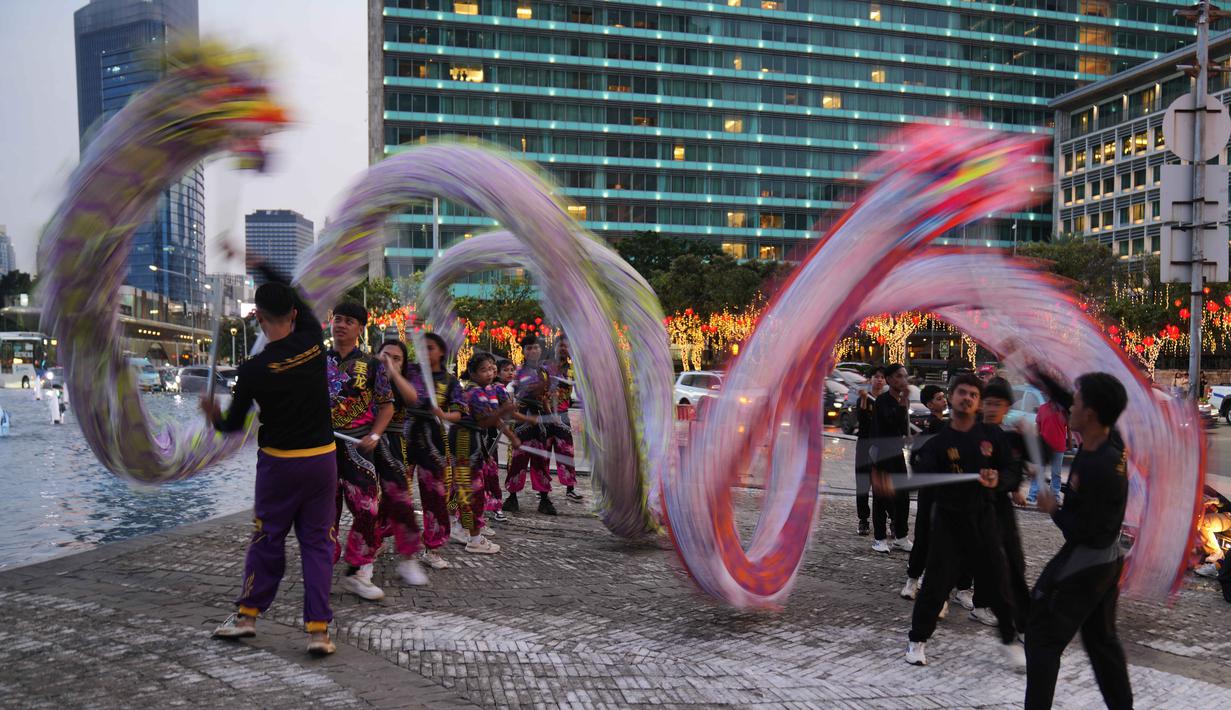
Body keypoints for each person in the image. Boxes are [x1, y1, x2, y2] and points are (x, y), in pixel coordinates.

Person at [204, 264, 337, 655]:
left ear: (258, 318)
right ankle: (319, 632)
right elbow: (296, 292)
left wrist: (212, 412)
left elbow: (230, 426)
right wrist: (260, 262)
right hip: (321, 462)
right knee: (317, 544)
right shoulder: (314, 341)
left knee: (267, 539)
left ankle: (247, 617)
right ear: (294, 313)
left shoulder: (253, 369)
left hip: (279, 465)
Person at [1025, 372, 1133, 709]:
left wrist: (1053, 508)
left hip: (1090, 560)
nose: (1070, 404)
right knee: (1101, 641)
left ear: (1091, 413)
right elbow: (1061, 393)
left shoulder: (1101, 466)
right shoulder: (1108, 437)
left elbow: (1084, 530)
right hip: (1106, 559)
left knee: (1041, 635)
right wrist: (1033, 369)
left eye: (1078, 400)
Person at [904, 374, 1022, 669]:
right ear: (952, 396)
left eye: (973, 394)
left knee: (999, 583)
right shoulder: (939, 441)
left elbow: (1012, 472)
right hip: (949, 523)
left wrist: (999, 480)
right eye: (962, 393)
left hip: (984, 520)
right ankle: (916, 641)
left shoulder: (992, 437)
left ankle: (1009, 640)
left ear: (978, 403)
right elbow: (924, 474)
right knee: (935, 587)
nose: (967, 398)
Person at [327, 302, 397, 601]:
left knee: (368, 509)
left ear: (360, 328)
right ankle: (322, 564)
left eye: (349, 321)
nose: (342, 325)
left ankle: (360, 569)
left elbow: (386, 406)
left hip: (358, 447)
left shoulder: (372, 365)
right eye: (338, 319)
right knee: (322, 513)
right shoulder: (314, 360)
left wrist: (375, 434)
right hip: (321, 447)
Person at [967, 378, 1030, 633]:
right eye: (988, 403)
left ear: (1007, 408)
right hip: (967, 507)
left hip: (998, 509)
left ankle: (1021, 624)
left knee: (1013, 563)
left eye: (999, 404)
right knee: (954, 564)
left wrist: (1004, 483)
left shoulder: (1009, 437)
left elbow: (1014, 471)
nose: (992, 409)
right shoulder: (968, 432)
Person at [403, 332, 469, 559]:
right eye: (421, 347)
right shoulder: (409, 371)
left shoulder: (450, 381)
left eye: (429, 347)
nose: (424, 351)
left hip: (433, 440)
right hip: (404, 434)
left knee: (434, 494)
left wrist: (443, 414)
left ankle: (433, 546)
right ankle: (381, 539)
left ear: (441, 351)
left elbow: (460, 413)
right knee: (395, 491)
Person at [372, 339, 430, 587]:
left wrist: (393, 372)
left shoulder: (403, 382)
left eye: (397, 358)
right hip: (361, 440)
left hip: (392, 443)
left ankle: (408, 558)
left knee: (400, 499)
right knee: (363, 500)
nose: (390, 361)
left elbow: (413, 398)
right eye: (386, 356)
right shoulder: (364, 376)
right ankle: (364, 553)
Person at [451, 351, 520, 553]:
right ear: (472, 373)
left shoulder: (483, 390)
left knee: (468, 488)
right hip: (465, 441)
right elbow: (486, 420)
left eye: (491, 369)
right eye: (484, 370)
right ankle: (469, 533)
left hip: (472, 439)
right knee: (470, 490)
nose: (490, 373)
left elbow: (491, 421)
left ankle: (464, 528)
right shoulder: (473, 393)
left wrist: (512, 434)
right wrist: (507, 414)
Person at [504, 335, 561, 515]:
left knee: (541, 460)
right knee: (518, 459)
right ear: (523, 351)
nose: (533, 351)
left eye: (535, 347)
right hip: (523, 419)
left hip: (541, 421)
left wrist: (552, 416)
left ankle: (544, 499)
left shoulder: (544, 372)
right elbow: (526, 392)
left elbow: (546, 396)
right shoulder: (519, 372)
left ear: (540, 350)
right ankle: (512, 497)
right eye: (528, 348)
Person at [901, 384, 947, 601]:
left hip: (947, 495)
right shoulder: (928, 432)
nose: (944, 401)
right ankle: (912, 578)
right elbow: (914, 460)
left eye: (944, 397)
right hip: (929, 494)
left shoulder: (952, 430)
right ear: (930, 404)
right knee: (923, 537)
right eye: (939, 398)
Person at [870, 363, 912, 553]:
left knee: (903, 497)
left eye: (905, 376)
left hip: (897, 454)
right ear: (889, 379)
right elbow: (889, 423)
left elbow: (902, 428)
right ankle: (879, 539)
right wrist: (903, 403)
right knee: (882, 497)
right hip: (882, 455)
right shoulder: (883, 401)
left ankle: (901, 536)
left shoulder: (902, 401)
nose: (903, 380)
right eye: (898, 376)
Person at [854, 366, 887, 536]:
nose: (879, 380)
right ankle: (863, 520)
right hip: (864, 446)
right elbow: (862, 420)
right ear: (870, 379)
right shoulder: (864, 397)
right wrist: (864, 400)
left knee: (882, 486)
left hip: (882, 447)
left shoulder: (888, 400)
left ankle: (887, 521)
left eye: (882, 377)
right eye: (876, 376)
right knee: (863, 485)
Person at [1028, 397, 1069, 504]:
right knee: (1039, 470)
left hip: (1059, 446)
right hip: (1043, 446)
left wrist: (1069, 442)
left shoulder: (1064, 410)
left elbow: (1068, 427)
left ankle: (1055, 495)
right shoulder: (1043, 408)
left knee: (1056, 473)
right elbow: (1038, 426)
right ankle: (1032, 495)